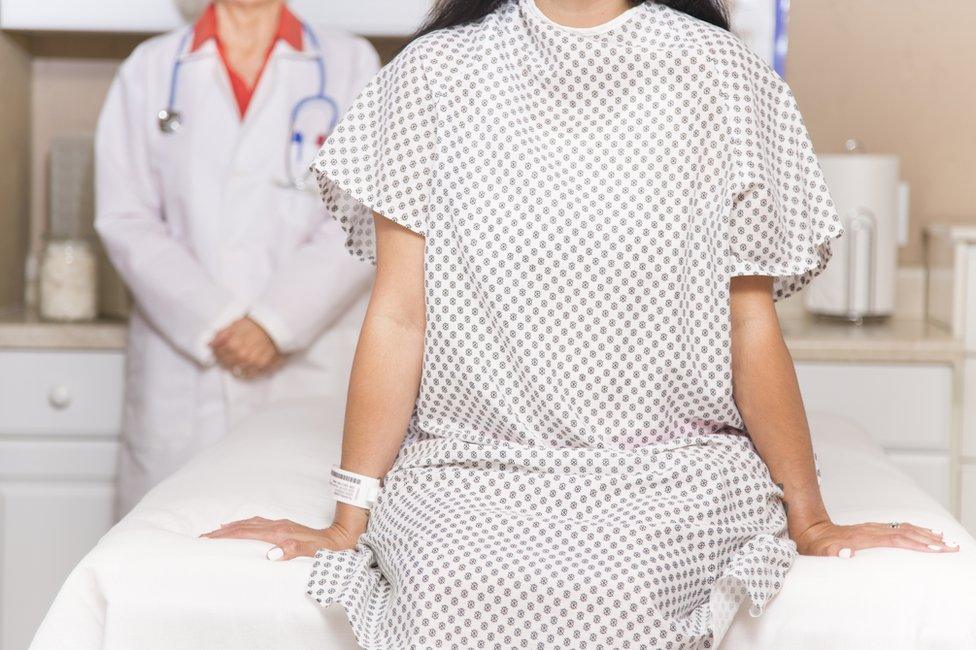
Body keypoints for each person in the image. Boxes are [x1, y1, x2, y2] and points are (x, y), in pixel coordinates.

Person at [204, 1, 959, 647]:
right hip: (471, 464)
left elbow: (748, 323)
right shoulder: (433, 76)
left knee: (617, 588)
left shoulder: (720, 75)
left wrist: (812, 518)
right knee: (446, 585)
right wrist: (347, 520)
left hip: (672, 469)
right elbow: (401, 315)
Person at [96, 0, 378, 516]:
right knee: (168, 553)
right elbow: (125, 219)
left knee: (295, 561)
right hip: (186, 367)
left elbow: (362, 217)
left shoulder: (350, 65)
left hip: (307, 363)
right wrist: (219, 320)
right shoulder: (150, 69)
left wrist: (275, 322)